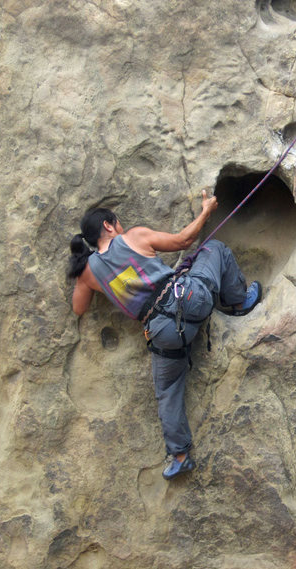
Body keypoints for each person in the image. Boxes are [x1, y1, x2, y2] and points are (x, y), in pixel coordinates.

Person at [67, 191, 262, 480]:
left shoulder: (89, 272)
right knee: (215, 248)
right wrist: (206, 210)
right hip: (188, 301)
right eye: (116, 223)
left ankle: (180, 456)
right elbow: (183, 241)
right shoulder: (132, 237)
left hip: (161, 332)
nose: (120, 227)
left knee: (167, 391)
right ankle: (238, 301)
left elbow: (78, 308)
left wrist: (91, 278)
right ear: (108, 226)